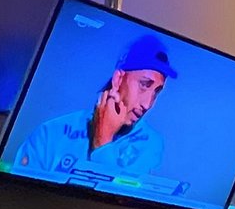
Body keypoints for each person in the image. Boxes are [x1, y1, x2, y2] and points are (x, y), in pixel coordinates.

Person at [12, 33, 179, 184]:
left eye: (156, 92)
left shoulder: (150, 143)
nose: (147, 104)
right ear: (118, 79)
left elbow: (118, 204)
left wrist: (103, 141)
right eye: (144, 84)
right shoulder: (49, 134)